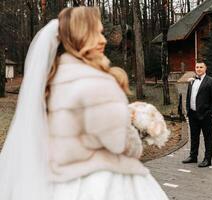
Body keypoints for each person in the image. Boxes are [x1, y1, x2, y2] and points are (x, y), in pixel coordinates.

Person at [0, 7, 169, 200]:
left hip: (62, 184)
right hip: (106, 184)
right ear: (81, 37)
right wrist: (134, 126)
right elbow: (118, 144)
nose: (103, 40)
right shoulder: (98, 82)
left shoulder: (50, 83)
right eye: (96, 33)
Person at [182, 62, 212, 167]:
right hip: (193, 114)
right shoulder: (192, 81)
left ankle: (207, 159)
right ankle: (193, 156)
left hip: (205, 115)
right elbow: (189, 97)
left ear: (205, 68)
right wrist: (188, 110)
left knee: (208, 138)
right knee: (194, 136)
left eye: (201, 67)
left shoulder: (211, 81)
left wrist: (211, 112)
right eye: (197, 67)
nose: (198, 69)